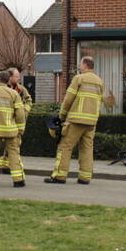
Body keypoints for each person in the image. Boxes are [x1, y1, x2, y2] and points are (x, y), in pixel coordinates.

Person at [46, 56, 103, 184]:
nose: (79, 66)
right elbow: (100, 101)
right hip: (91, 122)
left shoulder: (79, 78)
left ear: (85, 65)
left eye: (80, 64)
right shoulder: (99, 81)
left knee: (65, 146)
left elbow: (68, 99)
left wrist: (61, 116)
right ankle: (85, 177)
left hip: (76, 120)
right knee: (87, 149)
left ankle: (59, 176)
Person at [0, 67, 33, 173]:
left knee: (14, 145)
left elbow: (28, 101)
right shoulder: (1, 89)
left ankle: (8, 166)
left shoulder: (21, 90)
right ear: (10, 77)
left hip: (16, 122)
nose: (18, 78)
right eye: (16, 76)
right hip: (3, 122)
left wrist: (24, 112)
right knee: (0, 145)